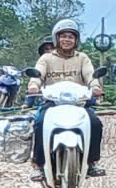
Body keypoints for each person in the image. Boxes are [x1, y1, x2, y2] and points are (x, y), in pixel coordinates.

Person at [30, 19, 106, 176]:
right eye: (63, 36)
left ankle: (91, 162)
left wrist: (95, 86)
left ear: (76, 40)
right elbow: (38, 74)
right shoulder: (46, 58)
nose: (67, 40)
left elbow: (90, 75)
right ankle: (39, 164)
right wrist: (33, 85)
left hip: (78, 104)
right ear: (56, 38)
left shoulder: (82, 58)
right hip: (52, 103)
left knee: (95, 123)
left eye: (71, 37)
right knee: (39, 123)